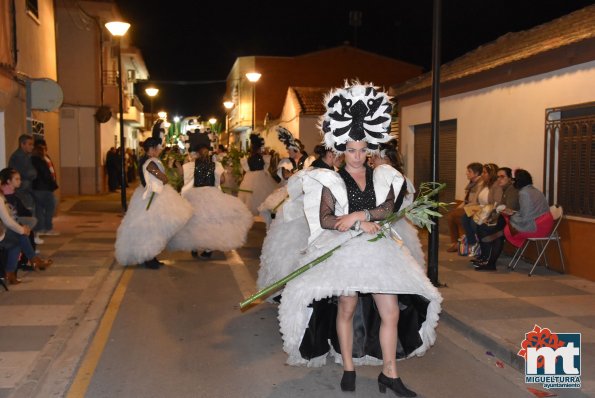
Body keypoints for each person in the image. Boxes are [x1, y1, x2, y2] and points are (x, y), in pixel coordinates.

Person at [277, 82, 442, 396]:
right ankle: (349, 367)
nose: (356, 156)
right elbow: (326, 219)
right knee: (347, 308)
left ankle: (389, 374)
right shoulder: (331, 179)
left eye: (362, 149)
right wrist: (353, 226)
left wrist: (360, 216)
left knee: (390, 312)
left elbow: (388, 208)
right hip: (346, 251)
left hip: (379, 250)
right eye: (351, 150)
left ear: (370, 150)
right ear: (342, 150)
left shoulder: (382, 174)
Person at [167, 135, 253, 259]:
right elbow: (222, 180)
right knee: (211, 222)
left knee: (195, 222)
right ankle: (208, 250)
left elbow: (181, 175)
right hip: (212, 195)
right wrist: (217, 181)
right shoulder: (216, 165)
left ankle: (195, 247)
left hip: (195, 196)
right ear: (209, 152)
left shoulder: (191, 165)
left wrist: (176, 164)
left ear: (196, 153)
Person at [114, 134, 192, 269]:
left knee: (154, 230)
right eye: (158, 147)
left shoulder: (148, 160)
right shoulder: (150, 163)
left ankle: (151, 256)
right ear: (151, 149)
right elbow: (161, 177)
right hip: (152, 197)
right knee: (150, 230)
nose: (160, 150)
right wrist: (166, 177)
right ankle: (148, 257)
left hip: (152, 195)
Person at [0, 168, 52, 284]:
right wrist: (22, 230)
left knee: (19, 238)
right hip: (2, 233)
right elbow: (7, 221)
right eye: (17, 179)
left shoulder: (3, 197)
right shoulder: (1, 198)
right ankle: (32, 261)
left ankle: (12, 273)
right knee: (21, 236)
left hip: (4, 231)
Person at [473, 167, 520, 271]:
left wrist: (492, 218)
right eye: (498, 177)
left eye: (502, 177)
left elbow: (509, 210)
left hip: (513, 222)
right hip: (505, 220)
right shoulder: (505, 189)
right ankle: (488, 260)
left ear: (510, 178)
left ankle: (487, 259)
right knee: (484, 226)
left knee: (486, 229)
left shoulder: (511, 190)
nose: (499, 179)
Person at [503, 169, 553, 249]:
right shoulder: (535, 190)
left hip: (537, 227)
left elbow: (525, 217)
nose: (512, 182)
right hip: (545, 224)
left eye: (513, 180)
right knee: (509, 224)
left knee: (507, 229)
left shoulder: (524, 193)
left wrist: (512, 216)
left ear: (518, 181)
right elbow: (529, 212)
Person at [461, 163, 502, 257]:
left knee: (473, 221)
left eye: (484, 172)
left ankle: (481, 244)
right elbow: (476, 201)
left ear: (491, 174)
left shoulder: (496, 186)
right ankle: (473, 243)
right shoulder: (483, 184)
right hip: (481, 209)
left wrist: (482, 210)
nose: (482, 174)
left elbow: (496, 204)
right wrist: (469, 208)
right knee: (465, 217)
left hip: (491, 212)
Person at [445, 162, 484, 252]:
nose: (467, 173)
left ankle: (460, 244)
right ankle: (457, 243)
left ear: (476, 173)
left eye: (469, 171)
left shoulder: (480, 184)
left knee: (455, 216)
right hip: (469, 207)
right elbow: (466, 200)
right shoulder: (471, 184)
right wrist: (459, 207)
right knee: (452, 215)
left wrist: (462, 208)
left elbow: (475, 202)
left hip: (476, 208)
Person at [237, 134, 277, 215]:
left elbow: (246, 169)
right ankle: (264, 210)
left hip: (250, 177)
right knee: (264, 194)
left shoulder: (249, 158)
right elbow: (266, 167)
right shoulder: (262, 157)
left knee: (251, 196)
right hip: (261, 176)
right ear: (259, 148)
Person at [31, 140, 59, 236]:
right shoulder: (41, 160)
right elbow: (46, 175)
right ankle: (48, 228)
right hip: (44, 188)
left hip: (36, 188)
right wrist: (53, 185)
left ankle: (41, 228)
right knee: (50, 208)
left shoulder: (32, 159)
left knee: (39, 209)